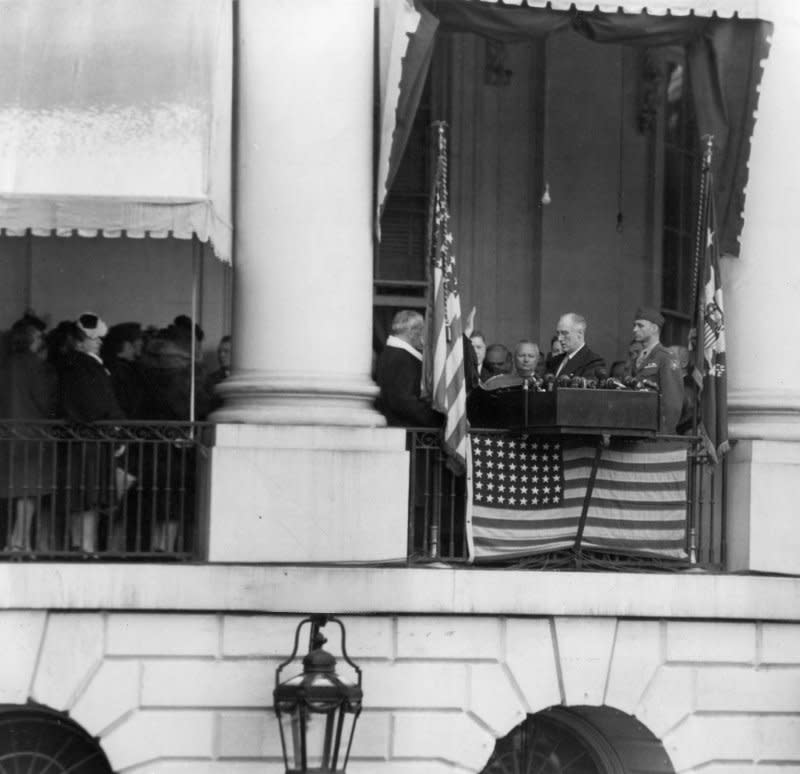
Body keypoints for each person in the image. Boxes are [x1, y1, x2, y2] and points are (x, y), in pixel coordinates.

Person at [0, 316, 58, 552]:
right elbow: (47, 402)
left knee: (14, 494)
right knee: (30, 494)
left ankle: (13, 541)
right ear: (31, 341)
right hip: (33, 437)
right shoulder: (36, 366)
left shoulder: (5, 364)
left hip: (8, 437)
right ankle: (20, 542)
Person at [375, 310, 442, 427]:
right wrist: (436, 418)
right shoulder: (401, 357)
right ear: (412, 332)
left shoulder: (391, 354)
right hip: (407, 432)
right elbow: (403, 401)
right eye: (422, 331)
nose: (423, 337)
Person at [630, 307, 684, 433]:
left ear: (654, 328)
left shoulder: (666, 357)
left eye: (640, 326)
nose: (634, 329)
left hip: (656, 433)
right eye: (634, 325)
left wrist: (664, 433)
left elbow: (672, 403)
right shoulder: (638, 358)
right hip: (637, 428)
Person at [102, 322, 146, 419]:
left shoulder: (111, 366)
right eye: (139, 339)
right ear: (127, 344)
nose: (142, 342)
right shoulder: (122, 371)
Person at [550, 313, 606, 378]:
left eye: (564, 333)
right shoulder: (555, 361)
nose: (559, 338)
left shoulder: (593, 362)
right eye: (558, 333)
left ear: (580, 333)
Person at [206, 335, 232, 412]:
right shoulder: (210, 379)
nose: (221, 355)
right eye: (219, 352)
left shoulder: (246, 377)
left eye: (226, 351)